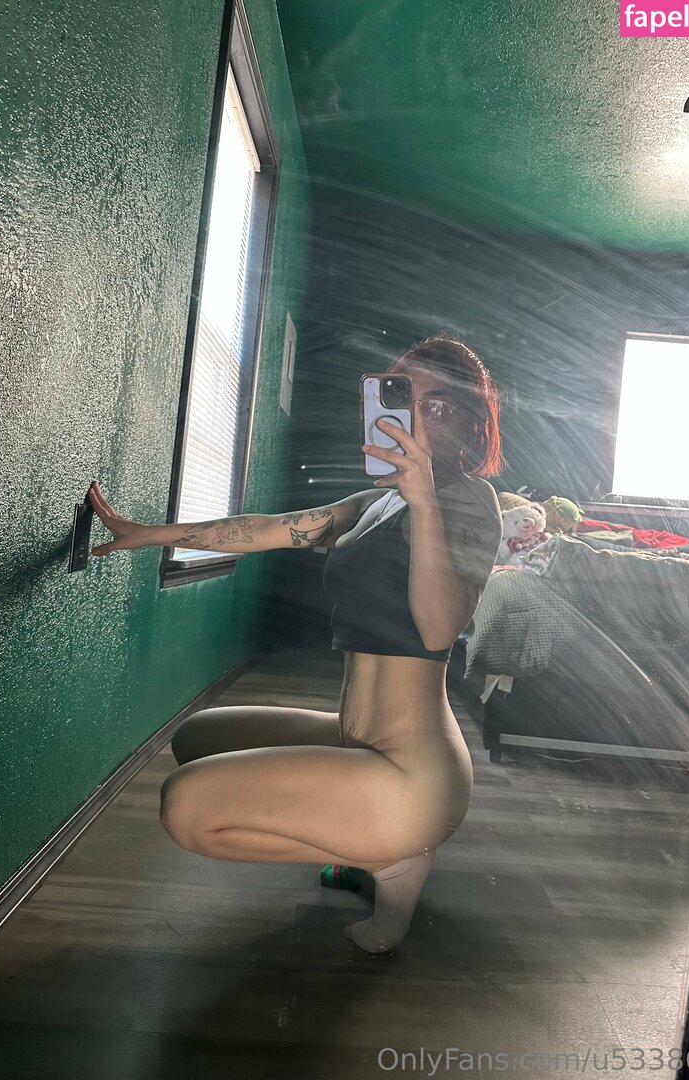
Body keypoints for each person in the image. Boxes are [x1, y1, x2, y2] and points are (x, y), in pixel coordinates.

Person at [88, 331, 504, 953]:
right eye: (402, 397)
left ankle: (393, 856)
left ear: (471, 424)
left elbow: (439, 627)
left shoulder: (472, 502)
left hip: (415, 774)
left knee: (185, 806)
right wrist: (150, 534)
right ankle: (366, 835)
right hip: (359, 738)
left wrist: (423, 502)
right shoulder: (377, 502)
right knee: (196, 737)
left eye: (438, 406)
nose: (415, 420)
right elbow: (270, 530)